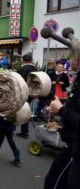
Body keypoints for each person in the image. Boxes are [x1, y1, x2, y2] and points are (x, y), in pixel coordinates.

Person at [44, 60, 80, 189]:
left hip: (75, 145)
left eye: (75, 59)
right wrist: (59, 109)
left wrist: (61, 109)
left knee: (53, 181)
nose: (70, 64)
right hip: (71, 141)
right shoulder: (76, 77)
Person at [16, 52, 36, 139]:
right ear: (31, 60)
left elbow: (19, 82)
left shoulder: (22, 69)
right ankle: (24, 130)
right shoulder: (35, 68)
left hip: (24, 92)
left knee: (23, 110)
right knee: (26, 109)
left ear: (23, 60)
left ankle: (24, 131)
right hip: (33, 91)